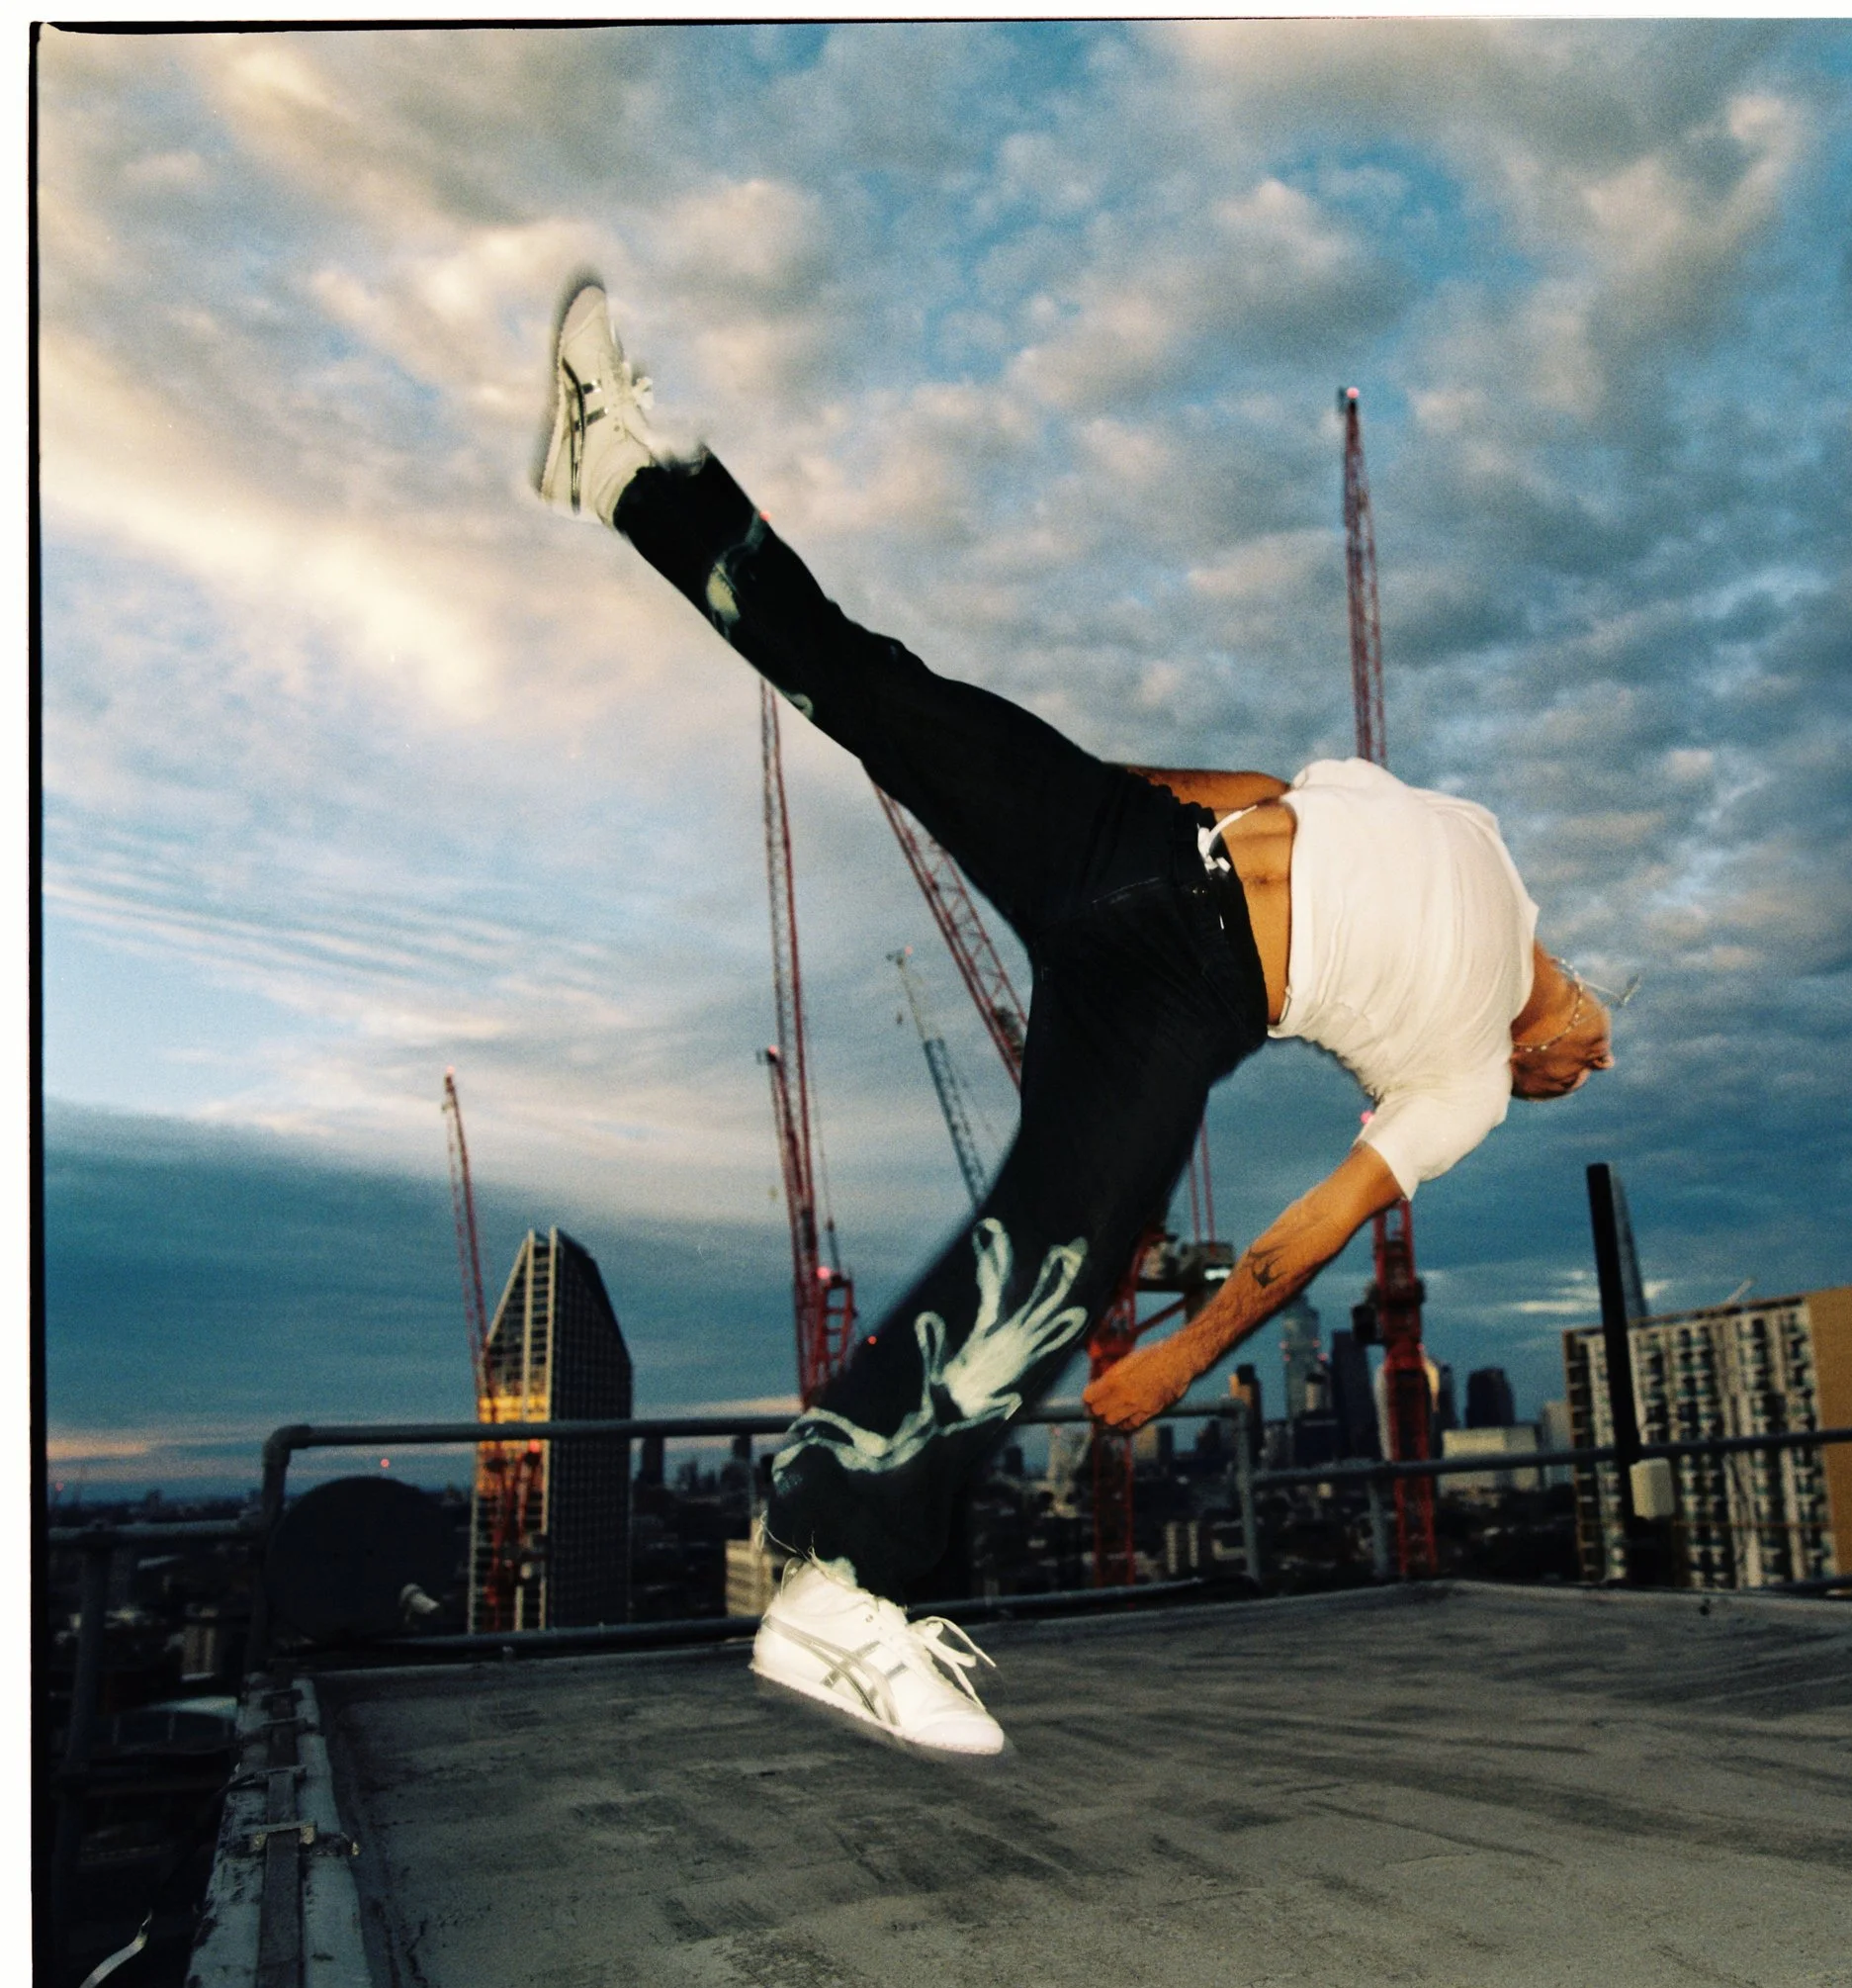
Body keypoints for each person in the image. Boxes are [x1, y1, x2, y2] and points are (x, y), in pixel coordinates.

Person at [536, 282, 1614, 1755]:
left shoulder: (1472, 1083)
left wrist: (1182, 1356)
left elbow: (1311, 1231)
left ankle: (833, 1576)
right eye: (1586, 1051)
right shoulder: (1483, 839)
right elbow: (1272, 793)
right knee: (877, 688)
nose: (1584, 1057)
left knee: (1055, 1260)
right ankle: (622, 465)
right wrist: (1077, 788)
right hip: (1128, 844)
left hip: (1183, 997)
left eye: (1570, 1076)